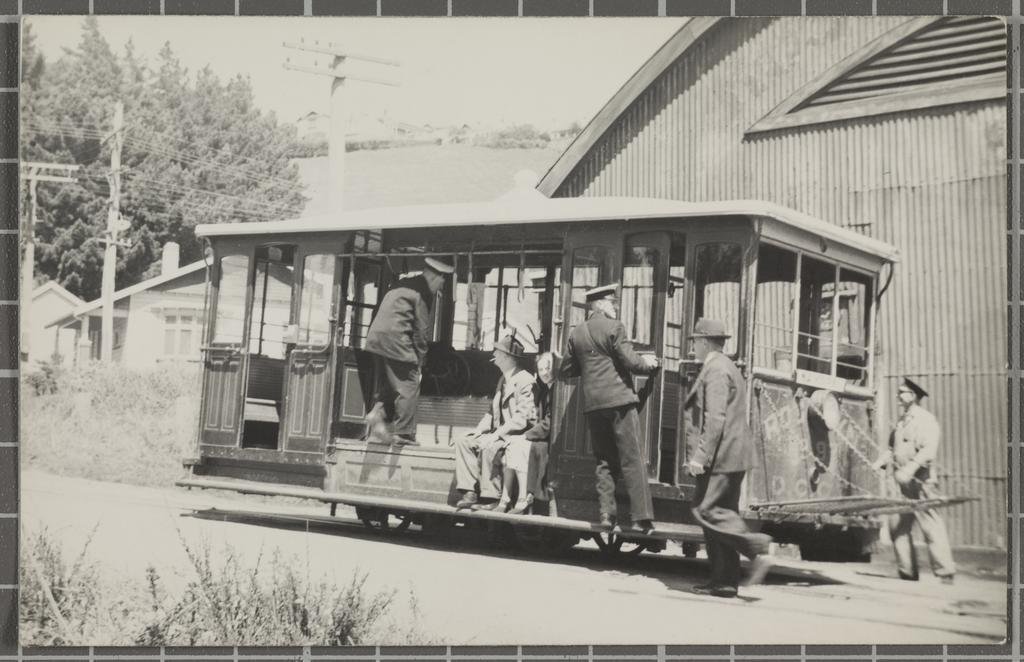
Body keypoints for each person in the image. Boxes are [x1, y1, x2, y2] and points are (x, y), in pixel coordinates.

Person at [559, 283, 659, 532]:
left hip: (594, 406)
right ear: (601, 304)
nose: (616, 307)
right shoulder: (615, 327)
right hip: (620, 402)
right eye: (613, 303)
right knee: (632, 458)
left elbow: (567, 370)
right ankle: (640, 518)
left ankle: (607, 515)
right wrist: (649, 364)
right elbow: (632, 363)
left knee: (604, 461)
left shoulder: (577, 332)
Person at [685, 318, 772, 599]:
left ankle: (757, 547)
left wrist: (700, 455)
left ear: (705, 342)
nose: (693, 347)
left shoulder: (717, 369)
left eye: (695, 342)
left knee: (707, 510)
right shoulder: (724, 366)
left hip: (723, 455)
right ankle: (723, 582)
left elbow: (715, 417)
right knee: (721, 513)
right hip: (731, 454)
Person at [872, 377, 956, 584]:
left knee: (931, 526)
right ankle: (907, 572)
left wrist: (909, 469)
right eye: (899, 392)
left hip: (921, 482)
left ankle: (945, 573)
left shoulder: (925, 420)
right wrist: (880, 462)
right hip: (901, 484)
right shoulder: (902, 421)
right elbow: (893, 449)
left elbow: (929, 450)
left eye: (902, 392)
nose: (898, 396)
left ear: (914, 396)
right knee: (898, 527)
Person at [364, 257, 454, 446]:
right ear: (434, 278)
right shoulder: (422, 293)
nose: (440, 287)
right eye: (441, 282)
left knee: (393, 384)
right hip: (396, 340)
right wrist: (420, 360)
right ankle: (404, 434)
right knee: (410, 383)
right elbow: (421, 330)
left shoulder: (403, 283)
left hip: (375, 339)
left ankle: (376, 416)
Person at [454, 332, 537, 510]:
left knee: (489, 446)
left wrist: (496, 434)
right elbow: (492, 412)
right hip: (498, 433)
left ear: (508, 357)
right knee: (464, 440)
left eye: (497, 352)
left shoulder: (525, 381)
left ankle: (491, 498)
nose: (493, 355)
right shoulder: (503, 379)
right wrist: (479, 430)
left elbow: (522, 419)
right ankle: (469, 492)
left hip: (515, 436)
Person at [502, 351, 554, 515]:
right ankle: (506, 498)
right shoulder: (546, 389)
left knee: (519, 444)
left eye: (547, 368)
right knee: (514, 444)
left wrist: (525, 435)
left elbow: (548, 424)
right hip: (544, 436)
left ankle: (524, 497)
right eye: (540, 369)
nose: (544, 373)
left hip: (549, 440)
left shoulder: (554, 390)